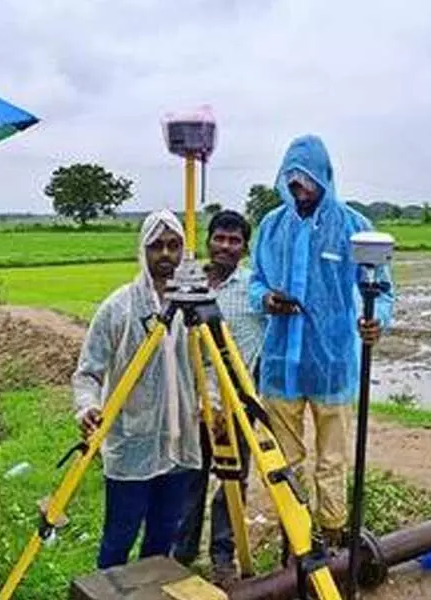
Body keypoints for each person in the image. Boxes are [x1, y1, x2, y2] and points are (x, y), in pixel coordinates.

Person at [248, 135, 395, 554]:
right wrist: (267, 299)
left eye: (307, 182)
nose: (300, 191)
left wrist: (375, 320)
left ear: (325, 179)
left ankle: (331, 539)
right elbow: (256, 278)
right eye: (292, 183)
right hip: (280, 364)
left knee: (331, 461)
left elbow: (381, 290)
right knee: (284, 462)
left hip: (332, 364)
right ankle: (294, 538)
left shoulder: (355, 227)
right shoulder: (271, 226)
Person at [73, 209, 202, 569]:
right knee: (120, 535)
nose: (166, 254)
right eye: (156, 246)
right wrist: (87, 408)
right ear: (142, 251)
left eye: (174, 246)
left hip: (180, 442)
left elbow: (208, 364)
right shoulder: (119, 308)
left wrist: (215, 404)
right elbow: (88, 372)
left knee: (163, 536)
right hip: (132, 444)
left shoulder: (195, 309)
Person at [172, 210, 266, 587]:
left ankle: (223, 556)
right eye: (220, 238)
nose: (226, 246)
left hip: (237, 402)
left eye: (235, 241)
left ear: (244, 248)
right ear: (209, 241)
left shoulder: (253, 288)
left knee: (231, 478)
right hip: (195, 399)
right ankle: (182, 551)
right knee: (191, 476)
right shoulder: (190, 286)